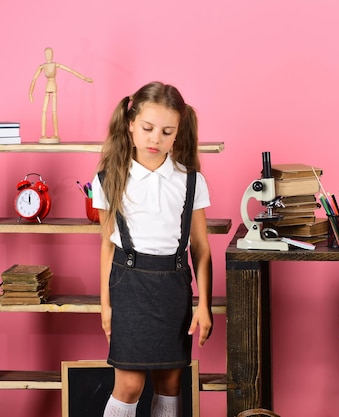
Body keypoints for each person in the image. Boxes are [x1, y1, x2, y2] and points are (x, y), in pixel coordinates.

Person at [91, 81, 213, 417]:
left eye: (166, 131)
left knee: (170, 384)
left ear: (178, 134)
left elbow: (201, 248)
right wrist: (105, 305)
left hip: (173, 286)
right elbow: (107, 245)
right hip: (127, 285)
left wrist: (204, 304)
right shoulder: (107, 178)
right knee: (129, 385)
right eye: (147, 128)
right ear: (130, 124)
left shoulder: (190, 180)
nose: (155, 139)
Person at [28, 47, 93, 142]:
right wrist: (30, 93)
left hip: (53, 87)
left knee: (53, 111)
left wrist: (85, 78)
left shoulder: (55, 65)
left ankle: (56, 134)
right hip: (48, 87)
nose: (48, 56)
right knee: (44, 111)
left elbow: (71, 71)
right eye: (47, 54)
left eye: (50, 53)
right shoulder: (42, 66)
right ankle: (43, 134)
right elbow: (34, 79)